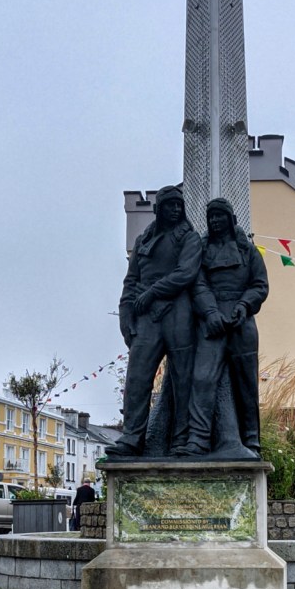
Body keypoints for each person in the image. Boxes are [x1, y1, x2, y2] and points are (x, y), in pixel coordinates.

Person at [110, 185, 202, 456]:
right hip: (146, 318)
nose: (175, 209)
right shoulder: (143, 240)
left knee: (183, 378)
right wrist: (126, 319)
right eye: (170, 205)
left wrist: (152, 293)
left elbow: (185, 273)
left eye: (178, 205)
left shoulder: (189, 238)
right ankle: (132, 437)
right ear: (158, 208)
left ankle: (182, 439)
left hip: (178, 314)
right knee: (137, 378)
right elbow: (131, 281)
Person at [179, 197, 269, 457]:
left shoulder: (248, 251)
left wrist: (244, 305)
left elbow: (260, 285)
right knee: (202, 378)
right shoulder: (202, 250)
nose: (215, 221)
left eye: (219, 216)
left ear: (230, 219)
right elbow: (197, 284)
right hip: (212, 323)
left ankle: (251, 440)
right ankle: (198, 439)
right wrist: (210, 312)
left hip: (242, 322)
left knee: (246, 383)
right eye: (211, 217)